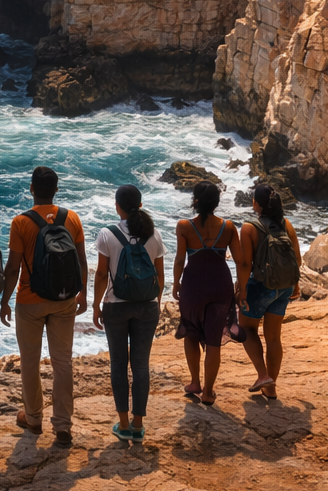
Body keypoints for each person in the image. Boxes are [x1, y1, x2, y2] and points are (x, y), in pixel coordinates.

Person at [0, 166, 89, 448]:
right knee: (63, 363)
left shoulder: (20, 222)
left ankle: (34, 419)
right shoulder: (71, 217)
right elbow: (82, 261)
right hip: (63, 301)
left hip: (30, 300)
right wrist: (83, 294)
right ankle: (62, 426)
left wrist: (3, 300)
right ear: (57, 190)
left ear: (31, 189)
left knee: (29, 361)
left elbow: (13, 268)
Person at [92, 184, 166, 443]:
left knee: (118, 364)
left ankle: (123, 424)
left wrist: (96, 304)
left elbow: (101, 275)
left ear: (117, 206)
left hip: (116, 306)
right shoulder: (154, 235)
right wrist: (153, 302)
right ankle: (138, 424)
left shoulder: (107, 234)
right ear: (141, 205)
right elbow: (160, 276)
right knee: (141, 365)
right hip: (147, 306)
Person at [232, 183, 303, 401]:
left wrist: (241, 289)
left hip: (261, 286)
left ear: (257, 204)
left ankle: (263, 376)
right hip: (284, 287)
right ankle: (270, 387)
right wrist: (295, 284)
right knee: (274, 337)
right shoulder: (286, 224)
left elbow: (245, 264)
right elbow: (297, 258)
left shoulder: (249, 228)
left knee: (245, 328)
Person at [171, 180, 236, 405]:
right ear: (217, 202)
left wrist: (175, 283)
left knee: (191, 331)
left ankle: (195, 382)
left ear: (195, 201)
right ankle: (208, 392)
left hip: (193, 285)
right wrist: (243, 286)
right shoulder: (228, 227)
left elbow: (180, 259)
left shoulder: (184, 226)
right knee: (214, 340)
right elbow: (242, 261)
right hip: (221, 285)